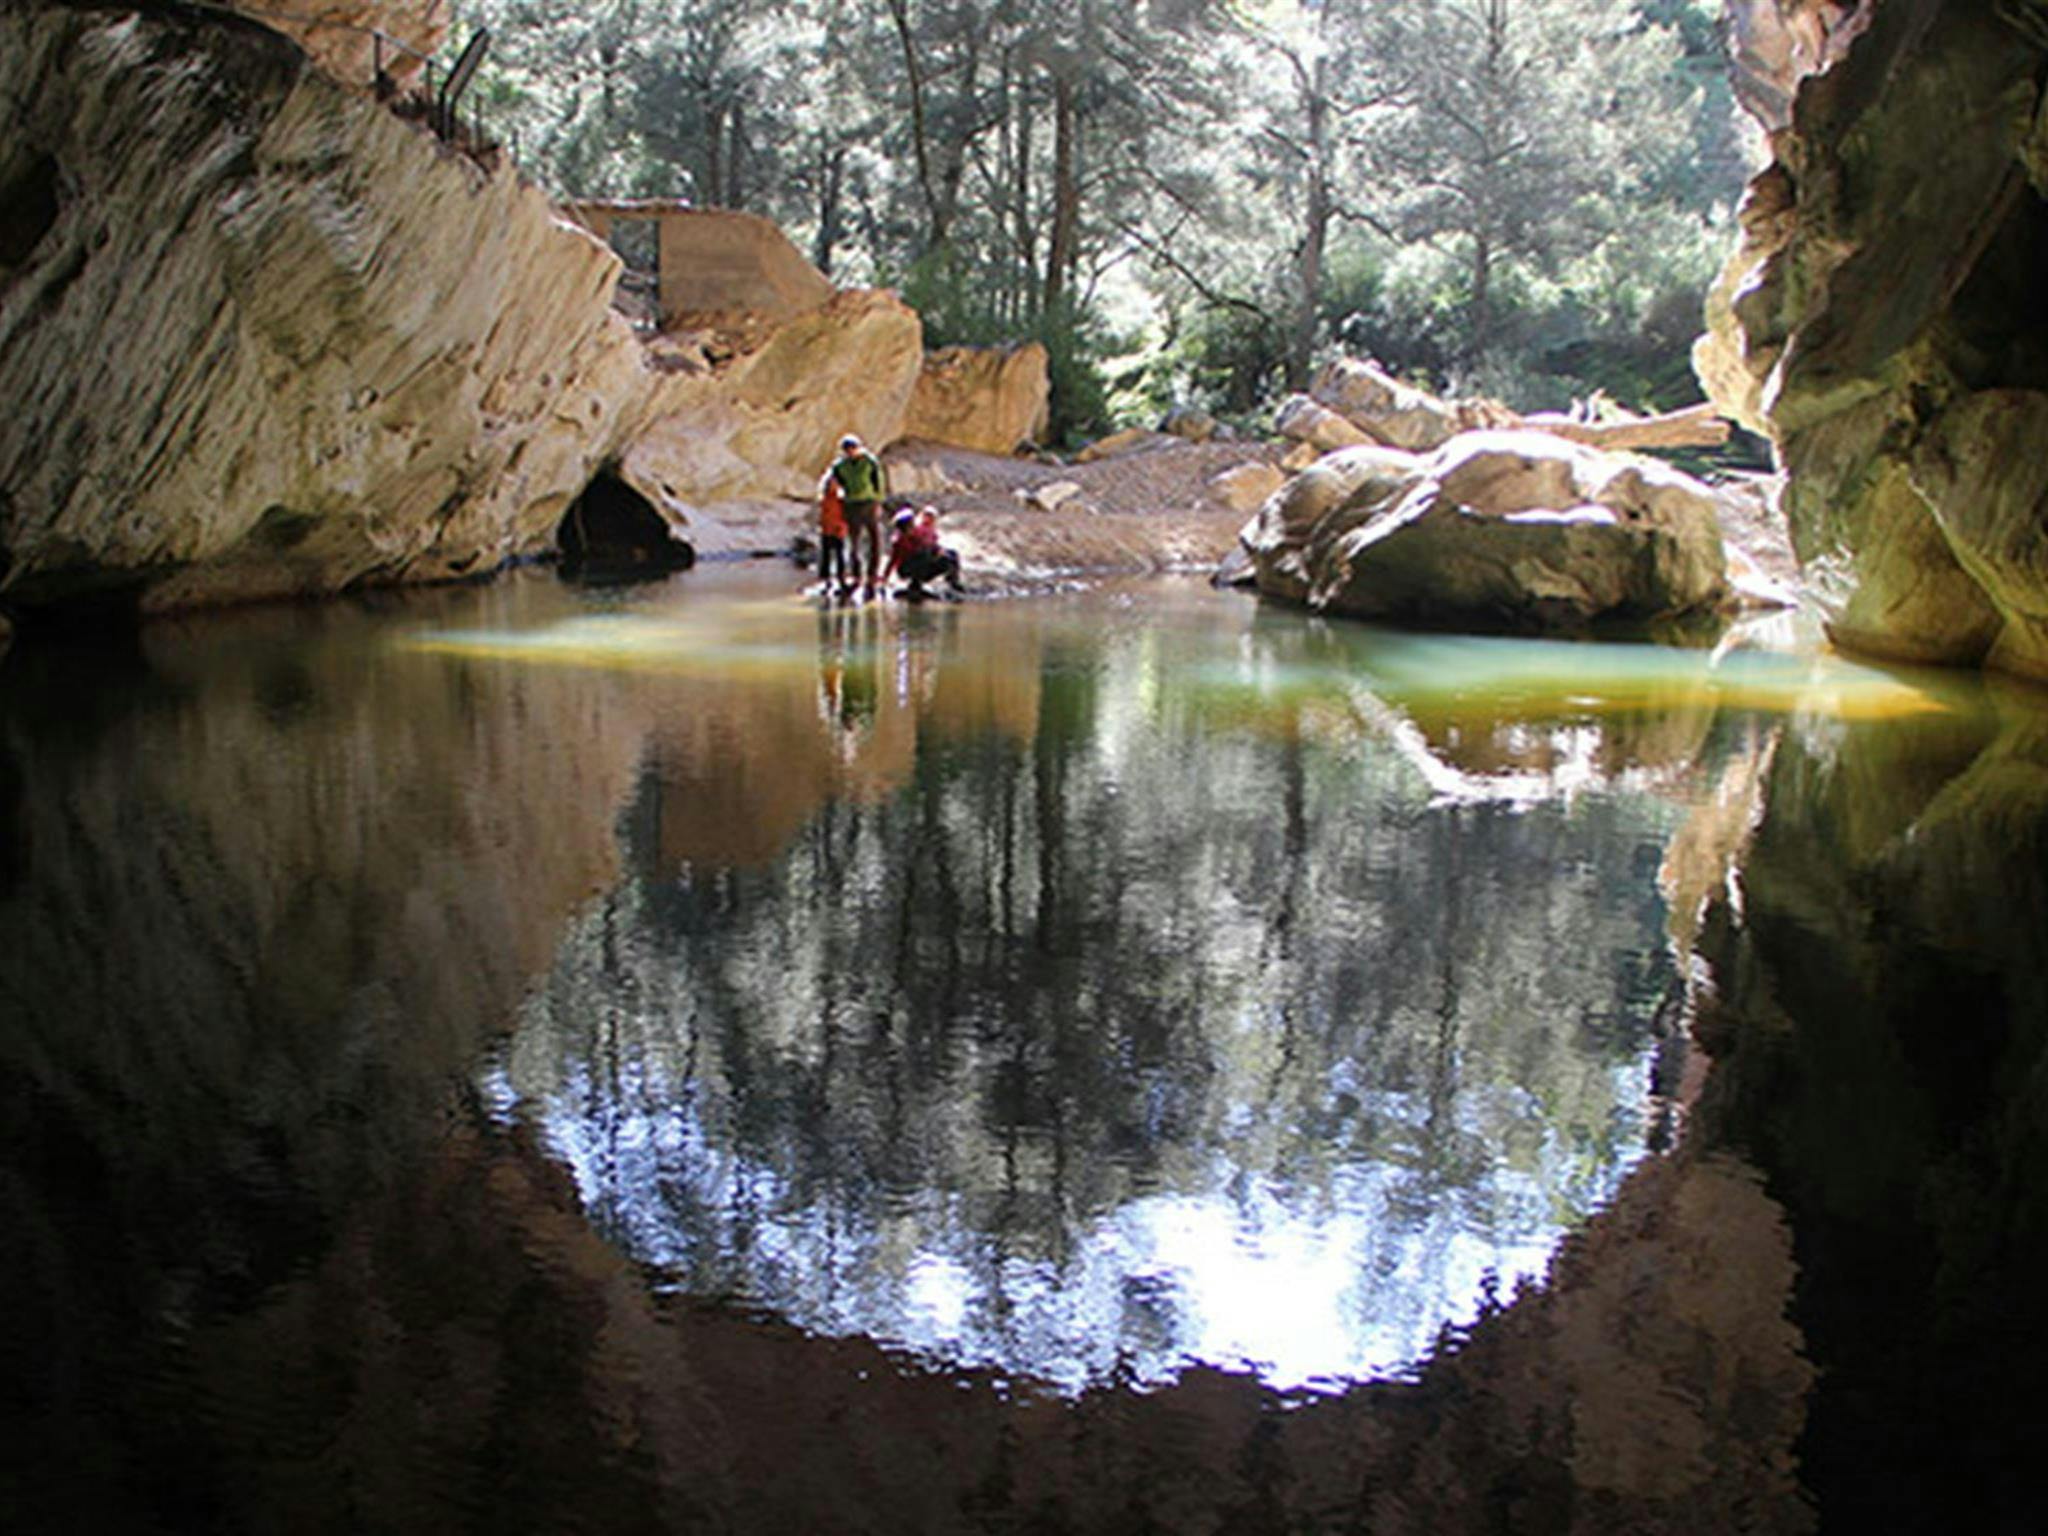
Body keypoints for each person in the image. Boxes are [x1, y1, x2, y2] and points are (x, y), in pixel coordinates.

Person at [828, 433, 887, 595]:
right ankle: (856, 575)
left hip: (869, 502)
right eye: (847, 449)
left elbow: (878, 482)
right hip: (851, 504)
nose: (851, 452)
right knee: (854, 541)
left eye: (853, 448)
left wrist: (878, 501)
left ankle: (872, 575)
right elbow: (835, 482)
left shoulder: (869, 461)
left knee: (875, 539)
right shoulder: (840, 466)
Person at [882, 504, 964, 599]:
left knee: (951, 555)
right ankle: (915, 583)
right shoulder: (898, 541)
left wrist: (939, 551)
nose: (913, 526)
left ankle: (953, 583)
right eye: (910, 524)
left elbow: (932, 546)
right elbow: (893, 560)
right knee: (923, 553)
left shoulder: (918, 533)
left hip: (923, 565)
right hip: (907, 569)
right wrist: (885, 578)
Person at [814, 466, 849, 595]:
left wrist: (843, 527)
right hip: (827, 530)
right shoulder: (825, 500)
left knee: (840, 556)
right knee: (826, 556)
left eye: (834, 484)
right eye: (830, 484)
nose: (832, 486)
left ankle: (841, 579)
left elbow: (845, 515)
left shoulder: (841, 500)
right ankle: (825, 579)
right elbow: (822, 515)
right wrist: (822, 526)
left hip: (838, 529)